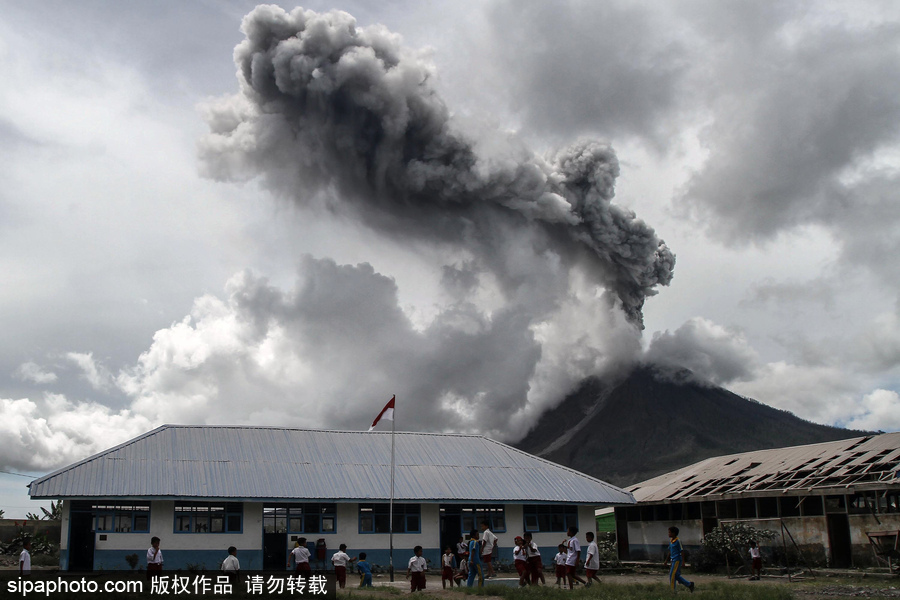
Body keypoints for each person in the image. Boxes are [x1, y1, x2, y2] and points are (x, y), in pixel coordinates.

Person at [666, 527, 695, 593]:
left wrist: (683, 562)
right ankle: (689, 584)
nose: (668, 533)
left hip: (677, 560)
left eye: (670, 532)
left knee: (672, 575)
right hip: (673, 560)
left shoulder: (677, 541)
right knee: (676, 575)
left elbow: (682, 551)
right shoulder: (671, 541)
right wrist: (666, 561)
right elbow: (670, 551)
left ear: (673, 533)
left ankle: (673, 590)